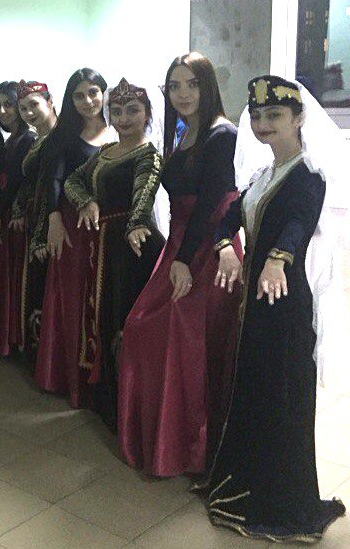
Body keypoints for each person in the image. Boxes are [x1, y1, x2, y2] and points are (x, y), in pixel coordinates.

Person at [199, 75, 346, 542]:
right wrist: (226, 246)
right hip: (256, 304)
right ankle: (249, 482)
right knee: (255, 389)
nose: (264, 124)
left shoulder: (308, 175)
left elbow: (300, 222)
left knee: (282, 396)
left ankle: (284, 503)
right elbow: (227, 217)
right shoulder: (262, 176)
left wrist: (278, 258)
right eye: (258, 116)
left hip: (284, 303)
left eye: (275, 115)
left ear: (299, 118)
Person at [116, 52, 242, 477]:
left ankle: (192, 447)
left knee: (183, 342)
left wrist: (185, 261)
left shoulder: (221, 135)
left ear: (208, 86)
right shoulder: (185, 132)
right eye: (175, 86)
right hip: (180, 245)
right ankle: (165, 439)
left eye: (192, 84)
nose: (183, 93)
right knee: (143, 329)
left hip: (206, 250)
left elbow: (212, 205)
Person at [62, 78, 166, 428]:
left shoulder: (148, 154)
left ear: (147, 114)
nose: (123, 118)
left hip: (132, 248)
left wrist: (135, 223)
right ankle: (106, 397)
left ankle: (128, 408)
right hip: (102, 245)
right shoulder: (105, 152)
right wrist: (86, 201)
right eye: (117, 111)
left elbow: (144, 195)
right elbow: (72, 181)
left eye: (133, 110)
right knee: (101, 315)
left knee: (123, 319)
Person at [33, 69, 114, 407]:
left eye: (93, 92)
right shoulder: (64, 135)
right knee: (72, 296)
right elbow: (52, 179)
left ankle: (104, 380)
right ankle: (71, 378)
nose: (88, 101)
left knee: (103, 297)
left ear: (104, 92)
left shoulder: (120, 128)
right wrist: (54, 219)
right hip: (72, 227)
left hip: (111, 227)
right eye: (79, 95)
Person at [0, 81, 36, 357]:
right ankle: (8, 337)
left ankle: (16, 338)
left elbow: (15, 183)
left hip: (15, 217)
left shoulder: (27, 139)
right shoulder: (11, 138)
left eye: (9, 105)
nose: (3, 111)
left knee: (15, 277)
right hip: (5, 212)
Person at [15, 80, 59, 361]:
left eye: (34, 105)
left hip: (52, 225)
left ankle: (50, 359)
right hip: (34, 221)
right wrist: (18, 210)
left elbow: (51, 191)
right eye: (23, 108)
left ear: (50, 102)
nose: (29, 112)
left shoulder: (60, 139)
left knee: (48, 288)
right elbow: (28, 183)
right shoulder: (36, 140)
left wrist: (42, 234)